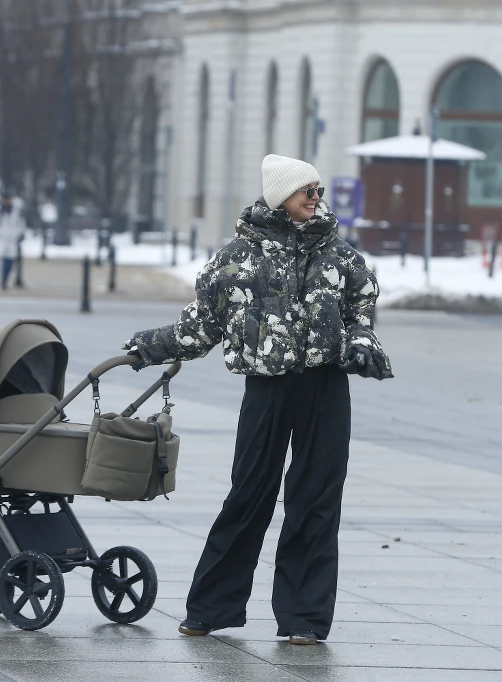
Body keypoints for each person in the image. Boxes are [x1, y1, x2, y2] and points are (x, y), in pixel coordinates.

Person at [122, 154, 393, 646]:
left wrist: (363, 345)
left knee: (316, 500)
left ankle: (303, 618)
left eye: (318, 189)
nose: (316, 198)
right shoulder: (236, 259)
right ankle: (210, 608)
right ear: (279, 196)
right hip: (266, 390)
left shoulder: (340, 254)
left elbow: (363, 309)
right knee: (249, 496)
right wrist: (149, 347)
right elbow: (200, 326)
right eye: (305, 190)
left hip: (326, 387)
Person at [0, 194, 25, 290]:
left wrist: (20, 234)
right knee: (5, 261)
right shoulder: (0, 212)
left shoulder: (16, 212)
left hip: (13, 239)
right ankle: (3, 281)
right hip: (3, 239)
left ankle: (7, 280)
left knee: (11, 261)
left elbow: (21, 224)